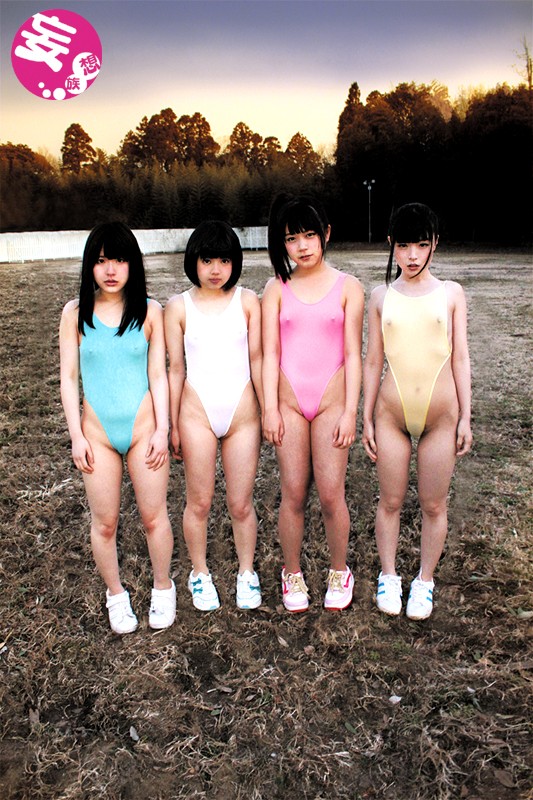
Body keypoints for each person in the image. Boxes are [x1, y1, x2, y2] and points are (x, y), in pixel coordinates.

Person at [59, 222, 175, 635]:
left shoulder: (150, 310)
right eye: (102, 260)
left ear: (133, 265)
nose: (110, 270)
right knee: (104, 523)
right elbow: (68, 378)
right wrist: (77, 436)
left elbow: (158, 375)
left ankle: (163, 588)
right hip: (97, 436)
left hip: (144, 432)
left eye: (120, 260)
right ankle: (116, 594)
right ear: (90, 265)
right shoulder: (74, 313)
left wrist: (162, 430)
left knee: (153, 517)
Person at [362, 202, 472, 620]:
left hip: (441, 416)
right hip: (392, 414)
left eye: (421, 245)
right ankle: (389, 575)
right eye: (404, 245)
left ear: (435, 244)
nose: (412, 256)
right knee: (390, 501)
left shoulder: (451, 294)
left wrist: (466, 416)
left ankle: (424, 580)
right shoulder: (380, 297)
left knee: (433, 504)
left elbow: (461, 357)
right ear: (391, 244)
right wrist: (366, 417)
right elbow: (373, 360)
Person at [262, 193, 364, 612]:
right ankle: (292, 573)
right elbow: (270, 353)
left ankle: (339, 571)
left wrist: (350, 412)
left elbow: (354, 354)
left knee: (330, 493)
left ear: (326, 233)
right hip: (288, 405)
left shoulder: (348, 287)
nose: (302, 246)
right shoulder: (275, 288)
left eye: (309, 235)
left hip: (330, 404)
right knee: (292, 492)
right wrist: (270, 408)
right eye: (291, 238)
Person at [164, 220, 263, 611]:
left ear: (235, 262)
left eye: (224, 260)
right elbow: (175, 370)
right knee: (199, 503)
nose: (216, 269)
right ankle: (200, 573)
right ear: (194, 261)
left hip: (243, 417)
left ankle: (246, 572)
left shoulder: (248, 301)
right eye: (207, 260)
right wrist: (172, 425)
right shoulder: (178, 307)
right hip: (196, 416)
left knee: (241, 504)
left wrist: (269, 410)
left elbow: (259, 360)